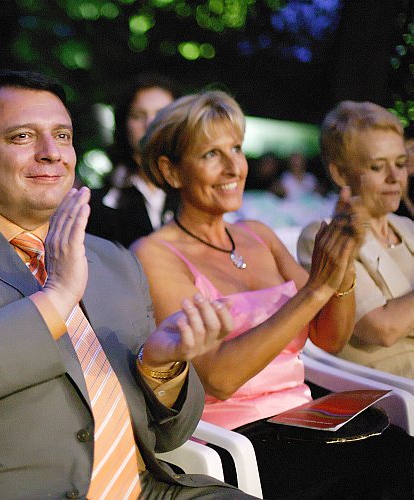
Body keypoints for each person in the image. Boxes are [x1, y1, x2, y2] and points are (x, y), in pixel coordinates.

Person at [0, 70, 248, 498]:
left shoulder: (113, 259)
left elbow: (171, 437)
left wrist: (161, 369)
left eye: (62, 136)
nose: (51, 154)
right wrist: (58, 296)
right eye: (23, 137)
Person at [132, 90, 412, 498]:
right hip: (238, 438)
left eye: (237, 149)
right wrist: (316, 289)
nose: (234, 167)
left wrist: (342, 269)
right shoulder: (155, 253)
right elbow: (220, 379)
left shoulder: (258, 235)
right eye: (212, 154)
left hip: (307, 417)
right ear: (171, 171)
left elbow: (330, 339)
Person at [299, 101, 414, 378]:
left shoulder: (407, 227)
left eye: (400, 164)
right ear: (340, 173)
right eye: (377, 167)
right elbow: (383, 328)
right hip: (389, 390)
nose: (394, 178)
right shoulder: (322, 236)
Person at [86, 73, 179, 247]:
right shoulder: (96, 204)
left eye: (162, 114)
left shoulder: (195, 192)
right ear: (124, 125)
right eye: (138, 115)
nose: (150, 123)